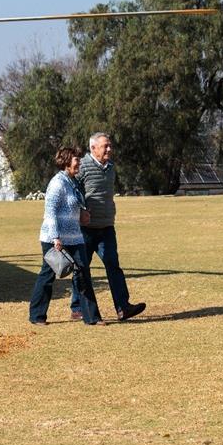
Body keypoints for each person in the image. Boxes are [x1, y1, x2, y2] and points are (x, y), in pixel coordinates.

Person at [71, 132, 146, 322]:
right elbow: (72, 193)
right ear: (93, 148)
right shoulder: (83, 166)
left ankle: (123, 308)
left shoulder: (111, 167)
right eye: (105, 146)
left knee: (114, 266)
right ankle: (77, 307)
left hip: (106, 227)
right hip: (85, 229)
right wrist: (80, 212)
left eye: (110, 145)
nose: (109, 149)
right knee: (81, 268)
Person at [29, 146, 105, 326]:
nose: (79, 162)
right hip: (54, 239)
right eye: (76, 159)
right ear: (66, 162)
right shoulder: (57, 183)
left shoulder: (72, 182)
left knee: (83, 275)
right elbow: (50, 213)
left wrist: (82, 214)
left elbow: (74, 205)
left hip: (75, 236)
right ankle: (37, 315)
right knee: (48, 276)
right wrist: (56, 238)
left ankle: (92, 317)